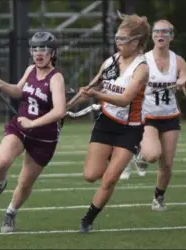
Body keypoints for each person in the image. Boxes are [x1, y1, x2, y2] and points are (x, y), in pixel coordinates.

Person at [68, 12, 151, 233]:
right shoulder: (110, 61)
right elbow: (91, 86)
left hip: (129, 129)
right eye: (117, 37)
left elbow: (124, 100)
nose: (117, 42)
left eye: (122, 39)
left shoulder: (141, 69)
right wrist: (64, 108)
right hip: (106, 122)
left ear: (136, 42)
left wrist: (97, 94)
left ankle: (88, 219)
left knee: (110, 178)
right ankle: (120, 162)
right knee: (90, 175)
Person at [0, 31, 66, 233]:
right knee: (0, 163)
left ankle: (10, 213)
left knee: (25, 183)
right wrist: (1, 85)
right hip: (20, 126)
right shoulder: (30, 70)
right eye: (35, 48)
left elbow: (60, 111)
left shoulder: (56, 78)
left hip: (44, 137)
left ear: (52, 53)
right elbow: (19, 91)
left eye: (43, 49)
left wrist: (33, 124)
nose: (38, 53)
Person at [129, 19, 186, 210]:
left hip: (170, 117)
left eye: (165, 32)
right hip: (148, 116)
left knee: (166, 165)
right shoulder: (143, 61)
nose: (160, 35)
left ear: (171, 36)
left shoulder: (178, 61)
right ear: (152, 36)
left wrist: (184, 84)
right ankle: (140, 154)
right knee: (151, 156)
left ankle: (158, 197)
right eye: (157, 31)